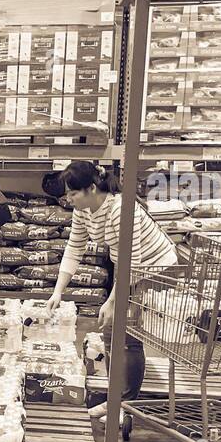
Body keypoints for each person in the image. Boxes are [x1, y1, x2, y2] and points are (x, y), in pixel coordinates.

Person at [45, 160, 178, 407]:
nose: (69, 199)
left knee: (126, 331)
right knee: (111, 330)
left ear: (92, 189)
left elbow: (130, 262)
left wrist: (112, 300)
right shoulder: (83, 211)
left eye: (73, 193)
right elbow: (74, 249)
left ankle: (125, 404)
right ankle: (117, 396)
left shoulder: (120, 210)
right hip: (131, 268)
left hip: (157, 267)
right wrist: (57, 292)